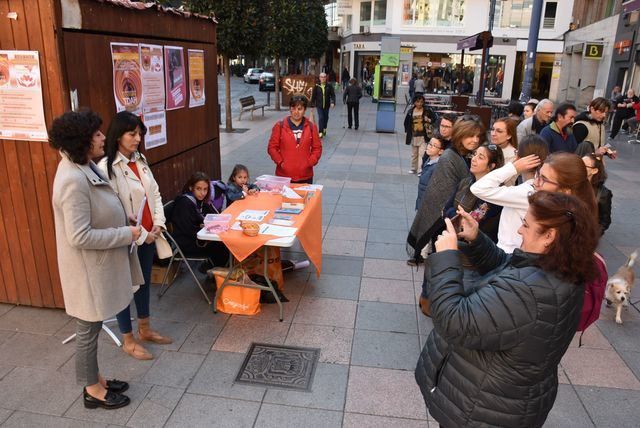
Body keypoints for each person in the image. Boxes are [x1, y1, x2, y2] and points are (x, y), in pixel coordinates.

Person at [415, 190, 599, 428]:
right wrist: (477, 239)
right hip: (503, 400)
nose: (520, 230)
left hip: (483, 408)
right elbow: (510, 270)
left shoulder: (528, 291)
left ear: (549, 236)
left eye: (526, 224)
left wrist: (447, 257)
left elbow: (453, 320)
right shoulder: (561, 269)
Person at [50, 110, 143, 410]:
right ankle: (92, 390)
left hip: (94, 269)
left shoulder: (82, 164)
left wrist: (121, 215)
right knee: (87, 332)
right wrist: (124, 233)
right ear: (83, 140)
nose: (104, 137)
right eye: (98, 134)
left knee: (90, 327)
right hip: (86, 273)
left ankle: (97, 378)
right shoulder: (72, 179)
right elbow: (79, 236)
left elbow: (100, 203)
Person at [99, 111, 172, 361]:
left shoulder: (140, 160)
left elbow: (155, 194)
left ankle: (145, 329)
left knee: (144, 283)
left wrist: (159, 225)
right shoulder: (106, 167)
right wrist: (141, 236)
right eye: (132, 134)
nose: (138, 138)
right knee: (124, 287)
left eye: (140, 133)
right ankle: (128, 339)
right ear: (118, 136)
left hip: (151, 235)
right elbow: (112, 211)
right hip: (128, 239)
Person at [407, 119, 485, 296]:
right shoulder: (451, 156)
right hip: (442, 219)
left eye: (478, 136)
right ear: (460, 134)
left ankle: (431, 296)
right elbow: (440, 191)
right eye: (470, 135)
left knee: (441, 260)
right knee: (439, 259)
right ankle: (428, 298)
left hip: (452, 217)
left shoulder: (466, 154)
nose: (475, 140)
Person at [470, 135, 549, 253]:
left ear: (520, 158)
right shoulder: (530, 189)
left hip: (510, 254)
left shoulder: (527, 192)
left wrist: (513, 167)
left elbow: (478, 188)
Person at [446, 143, 505, 243]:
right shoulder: (465, 182)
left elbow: (472, 223)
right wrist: (458, 216)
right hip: (452, 236)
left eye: (480, 157)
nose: (473, 159)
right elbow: (447, 208)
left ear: (491, 166)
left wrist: (455, 216)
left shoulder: (494, 194)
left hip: (473, 247)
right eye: (474, 154)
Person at [268, 94, 322, 184]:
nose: (296, 112)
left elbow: (317, 148)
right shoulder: (280, 126)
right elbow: (272, 148)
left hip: (305, 176)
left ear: (304, 110)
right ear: (290, 109)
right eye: (293, 108)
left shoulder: (311, 127)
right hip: (284, 176)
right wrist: (280, 162)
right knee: (285, 198)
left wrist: (310, 162)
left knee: (304, 198)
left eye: (300, 109)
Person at [404, 95, 436, 174]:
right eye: (418, 102)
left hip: (423, 136)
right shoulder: (411, 111)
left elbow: (434, 118)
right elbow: (406, 122)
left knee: (421, 153)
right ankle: (413, 168)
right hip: (414, 135)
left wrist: (428, 119)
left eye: (421, 102)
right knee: (414, 153)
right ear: (414, 102)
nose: (419, 103)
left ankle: (420, 169)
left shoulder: (426, 110)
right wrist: (407, 131)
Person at [583, 153, 612, 235]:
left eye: (584, 165)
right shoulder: (572, 184)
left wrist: (592, 234)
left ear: (594, 170)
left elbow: (604, 221)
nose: (579, 167)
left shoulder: (603, 194)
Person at [415, 135, 446, 210]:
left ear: (441, 151)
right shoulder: (428, 161)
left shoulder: (437, 167)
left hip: (428, 207)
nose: (430, 147)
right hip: (421, 202)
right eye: (430, 144)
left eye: (434, 146)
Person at [310, 72, 336, 138]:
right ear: (319, 78)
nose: (323, 78)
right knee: (321, 118)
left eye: (324, 77)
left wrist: (333, 102)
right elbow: (313, 96)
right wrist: (312, 105)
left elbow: (333, 95)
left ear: (326, 78)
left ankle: (324, 128)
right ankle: (320, 132)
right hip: (319, 105)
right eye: (321, 77)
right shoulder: (316, 86)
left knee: (326, 118)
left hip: (326, 105)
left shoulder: (329, 86)